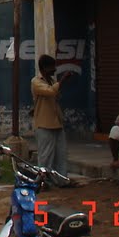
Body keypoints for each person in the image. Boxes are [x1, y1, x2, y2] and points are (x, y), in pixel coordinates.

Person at [32, 54, 74, 185]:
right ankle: (42, 182)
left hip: (56, 122)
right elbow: (50, 92)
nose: (54, 70)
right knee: (45, 157)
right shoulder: (36, 81)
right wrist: (62, 81)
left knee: (61, 155)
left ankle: (62, 181)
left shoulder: (50, 81)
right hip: (44, 124)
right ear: (44, 68)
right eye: (52, 67)